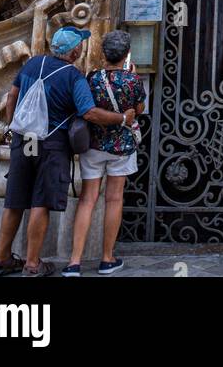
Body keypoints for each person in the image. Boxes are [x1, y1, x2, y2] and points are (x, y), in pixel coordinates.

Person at [0, 26, 136, 279]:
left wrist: (12, 129)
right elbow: (89, 113)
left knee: (15, 199)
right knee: (40, 200)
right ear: (75, 51)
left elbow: (12, 96)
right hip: (51, 144)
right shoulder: (74, 76)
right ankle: (33, 264)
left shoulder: (33, 63)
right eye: (80, 45)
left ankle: (1, 259)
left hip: (24, 141)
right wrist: (121, 118)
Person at [63, 29, 146, 277]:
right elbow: (139, 108)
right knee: (114, 198)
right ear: (127, 54)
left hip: (95, 145)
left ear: (104, 53)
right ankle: (107, 258)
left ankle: (74, 261)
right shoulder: (132, 81)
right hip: (121, 147)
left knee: (88, 199)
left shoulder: (92, 78)